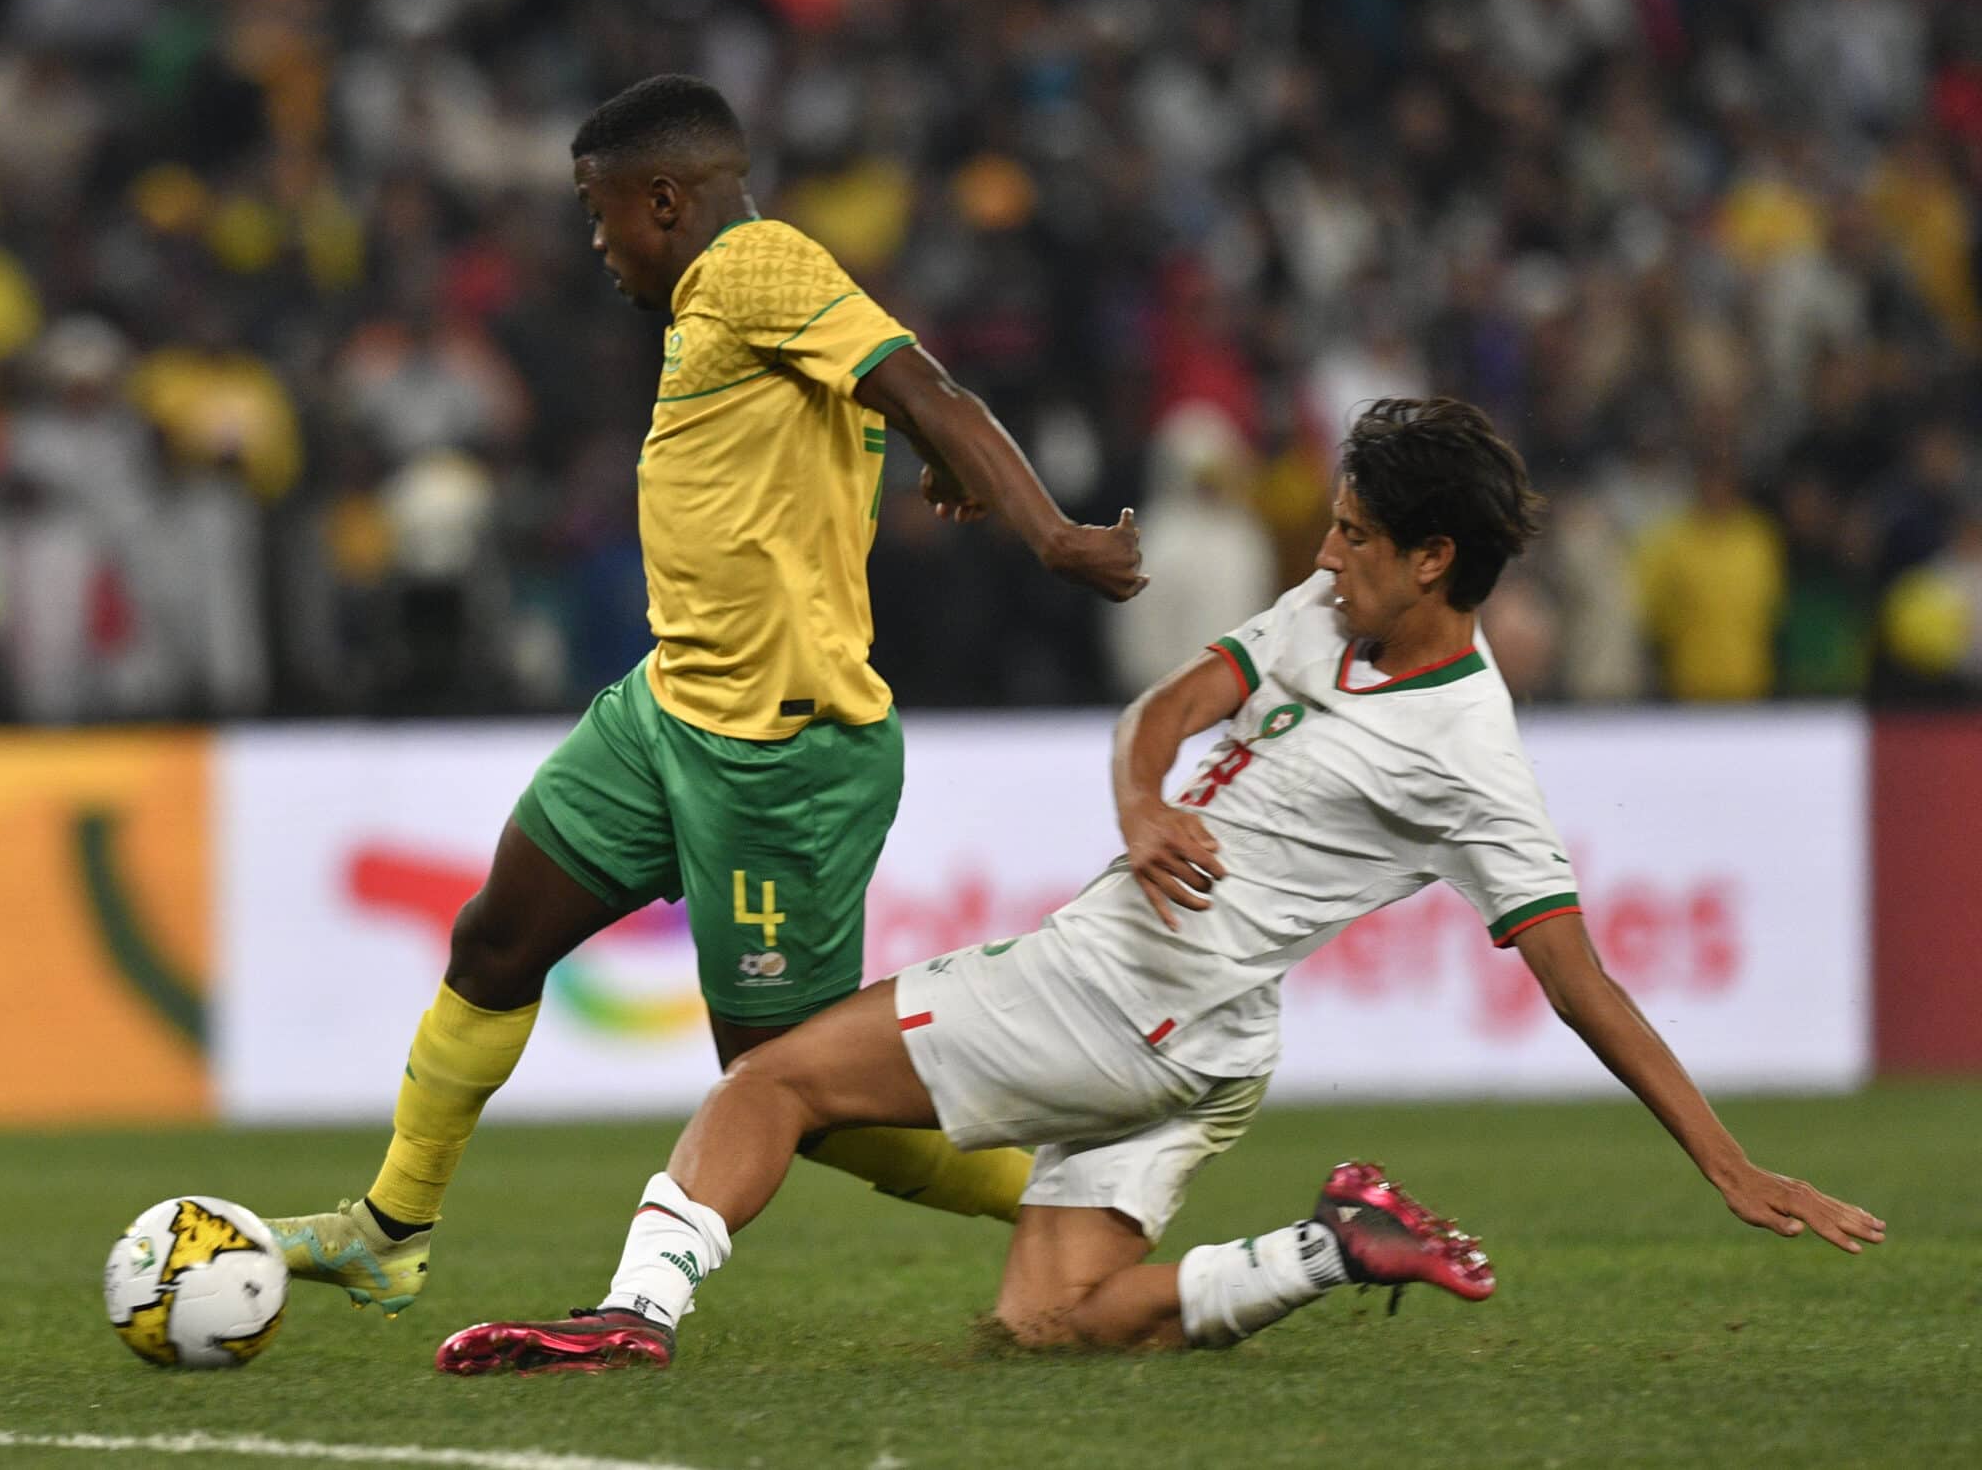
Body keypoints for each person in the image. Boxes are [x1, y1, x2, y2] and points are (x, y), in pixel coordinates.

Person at [431, 398, 1884, 1375]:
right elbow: (1168, 713)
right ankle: (1332, 1245)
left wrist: (1729, 1162)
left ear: (1436, 560)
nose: (1325, 552)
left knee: (769, 1085)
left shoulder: (1472, 763)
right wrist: (1141, 805)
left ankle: (633, 1314)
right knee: (1046, 1316)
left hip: (1126, 990)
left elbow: (1582, 984)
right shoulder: (1329, 611)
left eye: (1358, 537)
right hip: (1221, 1044)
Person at [269, 74, 1147, 1314]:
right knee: (494, 939)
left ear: (665, 199)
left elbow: (927, 387)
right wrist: (949, 457)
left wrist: (1049, 534)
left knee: (790, 1092)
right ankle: (389, 1227)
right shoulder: (726, 306)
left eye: (599, 210)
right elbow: (910, 391)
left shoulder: (754, 266)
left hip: (777, 758)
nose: (595, 240)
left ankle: (1084, 1201)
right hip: (667, 710)